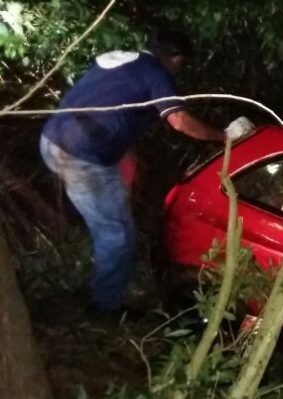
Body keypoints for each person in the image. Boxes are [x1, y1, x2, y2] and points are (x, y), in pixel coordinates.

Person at [38, 29, 254, 316]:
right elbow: (178, 120)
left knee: (113, 222)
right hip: (82, 157)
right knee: (117, 236)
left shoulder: (129, 62)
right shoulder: (156, 74)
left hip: (52, 140)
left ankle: (102, 282)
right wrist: (223, 136)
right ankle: (104, 308)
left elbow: (109, 108)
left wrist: (123, 157)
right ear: (176, 59)